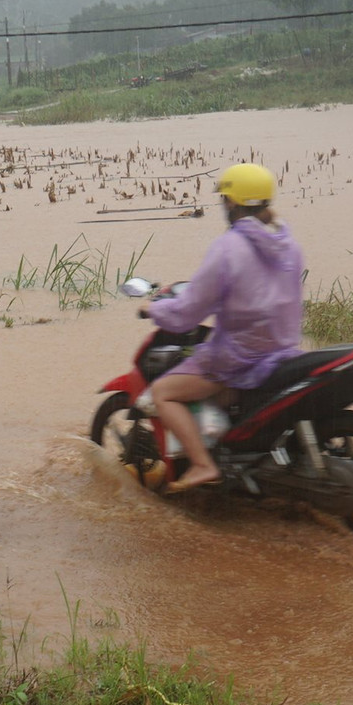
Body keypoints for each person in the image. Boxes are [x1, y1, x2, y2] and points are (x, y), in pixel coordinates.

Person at [142, 162, 304, 492]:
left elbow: (188, 312)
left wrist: (154, 309)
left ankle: (202, 465)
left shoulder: (228, 248)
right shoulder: (289, 246)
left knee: (164, 393)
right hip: (284, 350)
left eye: (225, 201)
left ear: (231, 203)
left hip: (239, 355)